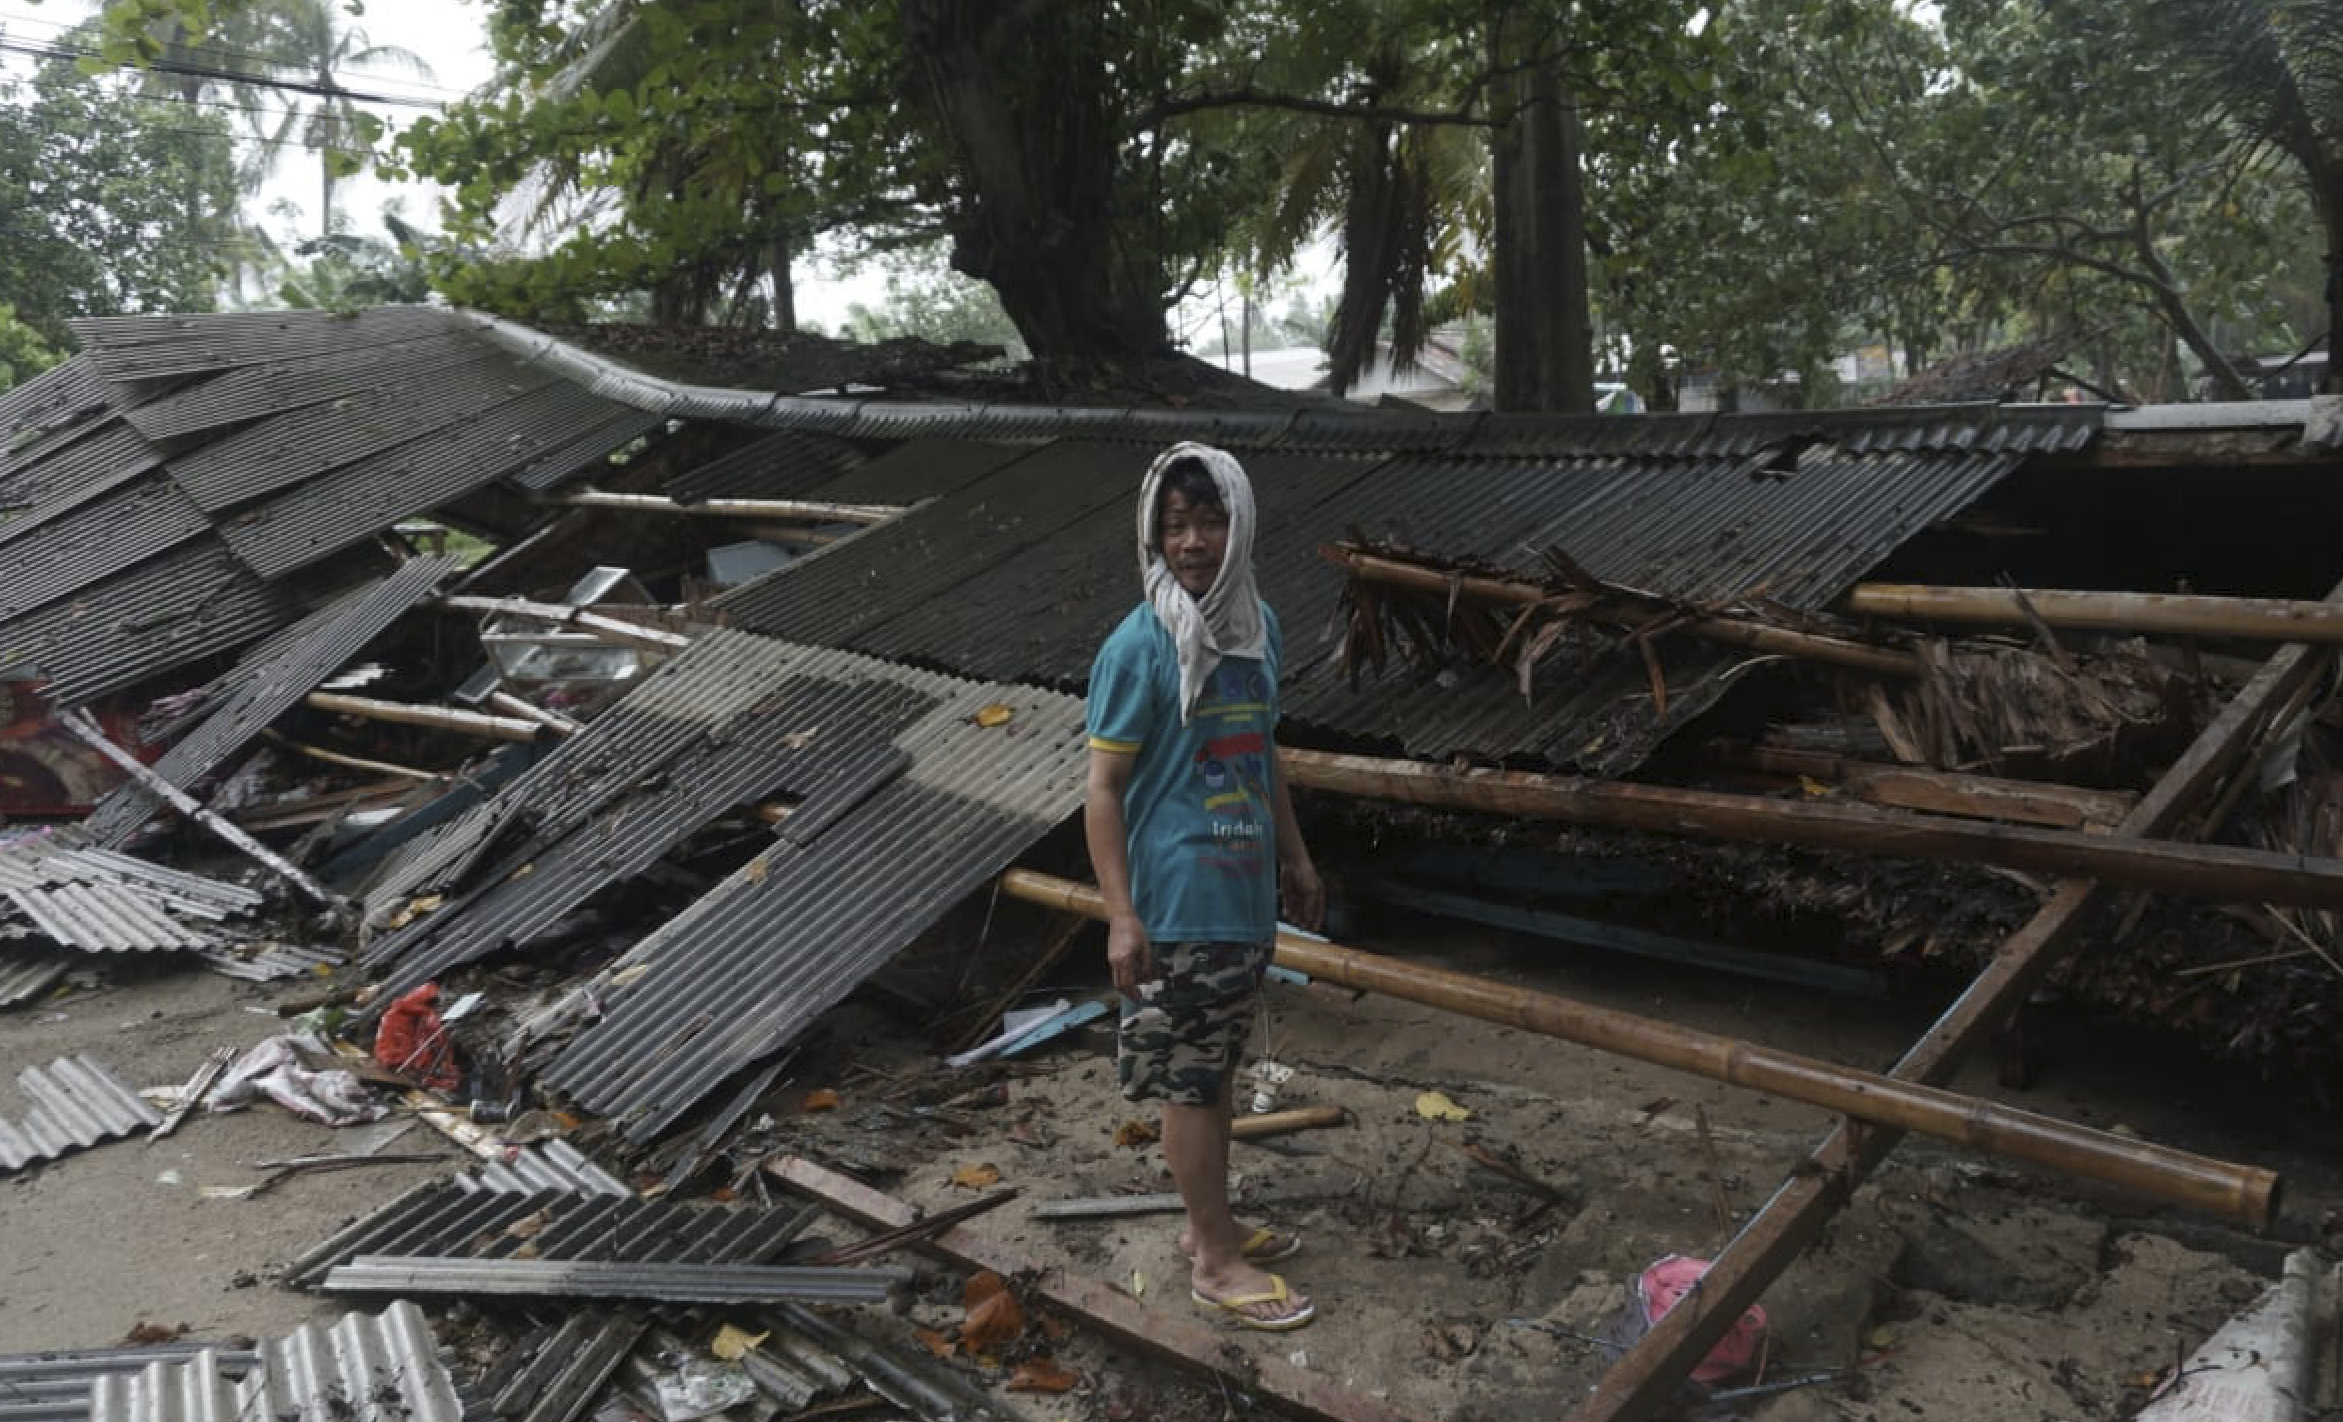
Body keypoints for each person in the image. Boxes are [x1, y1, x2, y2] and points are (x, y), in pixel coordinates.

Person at [1083, 441, 1325, 1332]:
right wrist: (1119, 916)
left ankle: (1203, 1230)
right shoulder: (1136, 646)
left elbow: (1262, 754)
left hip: (1241, 895)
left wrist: (1293, 860)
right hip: (1177, 900)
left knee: (1214, 1068)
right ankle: (1216, 1264)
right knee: (1190, 1082)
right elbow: (1102, 792)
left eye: (1208, 520)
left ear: (1240, 523)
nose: (1191, 542)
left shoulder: (1255, 629)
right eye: (1174, 525)